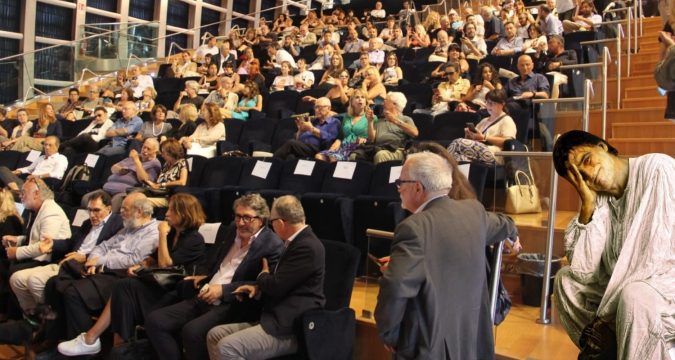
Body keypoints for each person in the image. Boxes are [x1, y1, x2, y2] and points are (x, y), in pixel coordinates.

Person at [375, 151, 518, 359]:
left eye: (400, 182)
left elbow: (396, 286)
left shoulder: (413, 228)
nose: (398, 188)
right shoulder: (474, 211)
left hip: (429, 345)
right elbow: (504, 224)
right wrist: (513, 233)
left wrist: (390, 335)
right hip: (471, 340)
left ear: (418, 187)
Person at [551, 130, 675, 360]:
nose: (589, 173)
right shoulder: (600, 201)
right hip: (623, 292)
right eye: (580, 177)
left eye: (587, 160)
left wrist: (605, 318)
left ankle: (612, 343)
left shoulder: (657, 169)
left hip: (666, 284)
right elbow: (583, 272)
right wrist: (588, 205)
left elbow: (654, 257)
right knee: (565, 280)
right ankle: (609, 351)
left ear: (603, 146)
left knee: (635, 296)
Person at [57, 193, 205, 357]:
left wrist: (162, 234)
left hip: (173, 292)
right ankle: (113, 349)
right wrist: (142, 265)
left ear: (183, 213)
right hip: (157, 283)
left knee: (123, 286)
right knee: (125, 286)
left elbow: (165, 263)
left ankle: (93, 340)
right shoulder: (173, 234)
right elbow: (153, 260)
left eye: (171, 210)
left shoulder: (194, 239)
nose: (166, 214)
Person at [145, 194, 284, 360]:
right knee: (155, 321)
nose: (240, 223)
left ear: (261, 220)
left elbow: (261, 282)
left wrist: (223, 290)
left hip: (232, 302)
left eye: (247, 218)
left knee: (192, 331)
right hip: (205, 292)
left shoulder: (272, 244)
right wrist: (203, 276)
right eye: (238, 216)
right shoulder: (233, 229)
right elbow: (215, 260)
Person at [206, 195, 325, 360]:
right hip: (274, 317)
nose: (272, 226)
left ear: (281, 223)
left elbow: (276, 286)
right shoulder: (294, 242)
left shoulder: (307, 247)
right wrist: (257, 287)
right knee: (215, 335)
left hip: (289, 327)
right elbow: (284, 282)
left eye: (272, 221)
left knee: (227, 347)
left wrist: (262, 275)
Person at [57, 192, 158, 339]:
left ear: (139, 211)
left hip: (118, 277)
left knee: (72, 293)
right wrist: (93, 261)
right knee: (56, 284)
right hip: (101, 271)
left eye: (125, 209)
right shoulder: (128, 228)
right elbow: (102, 246)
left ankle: (86, 346)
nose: (120, 212)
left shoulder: (152, 234)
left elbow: (133, 260)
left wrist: (98, 262)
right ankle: (62, 339)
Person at [9, 191, 123, 320]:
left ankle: (50, 322)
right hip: (67, 262)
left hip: (82, 267)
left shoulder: (118, 223)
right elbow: (71, 243)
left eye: (96, 210)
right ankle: (34, 321)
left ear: (108, 209)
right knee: (16, 279)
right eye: (89, 210)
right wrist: (53, 244)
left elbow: (114, 250)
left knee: (34, 280)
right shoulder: (87, 224)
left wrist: (86, 257)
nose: (92, 215)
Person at [82, 138, 161, 212]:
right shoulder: (131, 158)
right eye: (144, 147)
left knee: (113, 207)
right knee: (86, 199)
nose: (144, 150)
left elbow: (144, 180)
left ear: (156, 152)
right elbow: (113, 168)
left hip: (122, 192)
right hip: (107, 189)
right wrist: (120, 169)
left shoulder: (154, 164)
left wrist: (136, 160)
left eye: (148, 149)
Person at [447, 89, 517, 165]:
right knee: (458, 157)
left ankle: (442, 168)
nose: (489, 106)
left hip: (495, 154)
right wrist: (469, 136)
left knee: (458, 142)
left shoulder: (507, 120)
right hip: (480, 150)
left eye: (492, 103)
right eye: (487, 102)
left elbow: (509, 142)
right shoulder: (484, 120)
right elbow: (474, 141)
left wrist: (484, 137)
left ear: (502, 104)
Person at [350, 92, 419, 164]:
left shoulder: (406, 119)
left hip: (396, 150)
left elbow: (415, 133)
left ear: (394, 104)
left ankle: (378, 175)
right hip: (376, 148)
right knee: (354, 155)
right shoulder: (380, 121)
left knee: (380, 155)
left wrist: (395, 120)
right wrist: (370, 121)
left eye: (386, 100)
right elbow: (371, 139)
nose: (383, 103)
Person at [273, 97, 341, 160]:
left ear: (329, 108)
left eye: (320, 107)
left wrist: (311, 129)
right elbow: (297, 138)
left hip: (317, 148)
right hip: (303, 147)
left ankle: (270, 161)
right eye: (315, 107)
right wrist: (300, 130)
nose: (316, 110)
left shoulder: (334, 122)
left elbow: (329, 138)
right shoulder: (313, 121)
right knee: (290, 156)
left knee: (291, 143)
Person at [316, 90, 373, 162]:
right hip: (344, 146)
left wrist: (370, 123)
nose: (360, 99)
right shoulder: (347, 117)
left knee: (333, 158)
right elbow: (341, 136)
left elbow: (372, 139)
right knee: (319, 156)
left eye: (363, 97)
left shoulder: (371, 117)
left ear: (366, 102)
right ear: (351, 102)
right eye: (357, 97)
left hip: (359, 147)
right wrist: (337, 142)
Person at [0, 136, 67, 192]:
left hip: (40, 184)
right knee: (3, 169)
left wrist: (38, 176)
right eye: (45, 144)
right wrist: (18, 171)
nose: (47, 147)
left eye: (50, 145)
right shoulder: (41, 157)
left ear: (57, 146)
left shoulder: (61, 158)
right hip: (27, 182)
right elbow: (29, 169)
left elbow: (57, 174)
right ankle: (16, 189)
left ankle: (13, 189)